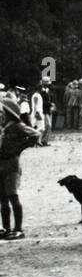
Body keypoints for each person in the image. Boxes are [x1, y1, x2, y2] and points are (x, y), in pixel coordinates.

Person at [0, 94, 40, 240]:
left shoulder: (18, 126)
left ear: (9, 113)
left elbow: (35, 134)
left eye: (2, 112)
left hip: (11, 164)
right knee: (2, 198)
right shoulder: (3, 127)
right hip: (1, 163)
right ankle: (6, 228)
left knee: (12, 195)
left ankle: (18, 228)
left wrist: (20, 148)